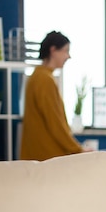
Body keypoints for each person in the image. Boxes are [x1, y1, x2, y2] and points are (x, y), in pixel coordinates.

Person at [20, 31, 87, 160]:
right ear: (53, 50)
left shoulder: (37, 76)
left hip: (39, 157)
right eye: (65, 51)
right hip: (48, 158)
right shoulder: (45, 80)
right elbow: (55, 123)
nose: (68, 56)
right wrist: (78, 149)